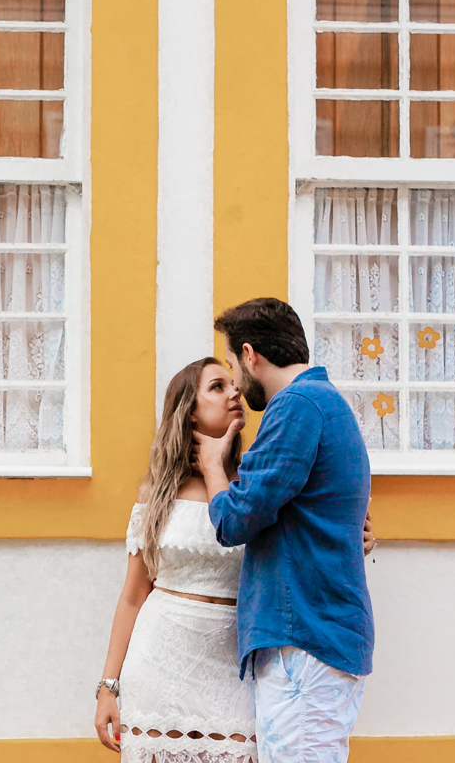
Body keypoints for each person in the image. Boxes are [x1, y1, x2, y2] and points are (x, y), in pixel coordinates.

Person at [94, 356, 375, 761]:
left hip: (236, 668)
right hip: (160, 663)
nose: (235, 392)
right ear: (188, 410)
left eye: (233, 382)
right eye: (217, 386)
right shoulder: (154, 495)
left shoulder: (261, 487)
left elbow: (314, 533)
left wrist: (353, 537)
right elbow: (133, 595)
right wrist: (108, 685)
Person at [194, 297, 375, 762]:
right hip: (318, 638)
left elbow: (236, 519)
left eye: (233, 366)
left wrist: (215, 467)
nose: (235, 381)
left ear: (251, 354)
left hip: (305, 640)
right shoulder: (324, 403)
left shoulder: (295, 405)